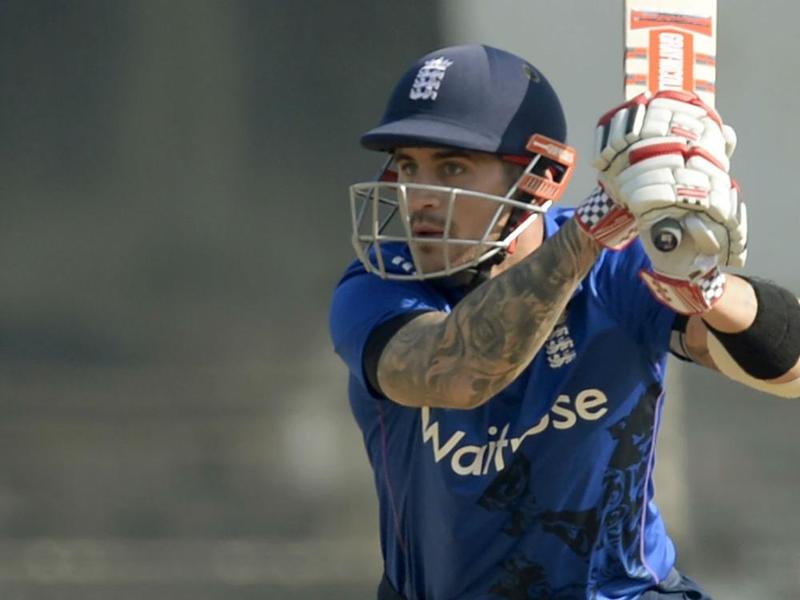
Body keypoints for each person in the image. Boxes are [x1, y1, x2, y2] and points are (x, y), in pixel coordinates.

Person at [329, 43, 800, 600]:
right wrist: (596, 228)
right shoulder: (379, 284)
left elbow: (789, 372)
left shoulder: (619, 267)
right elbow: (455, 372)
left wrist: (706, 286)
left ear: (540, 177)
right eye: (408, 166)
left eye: (451, 167)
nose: (419, 198)